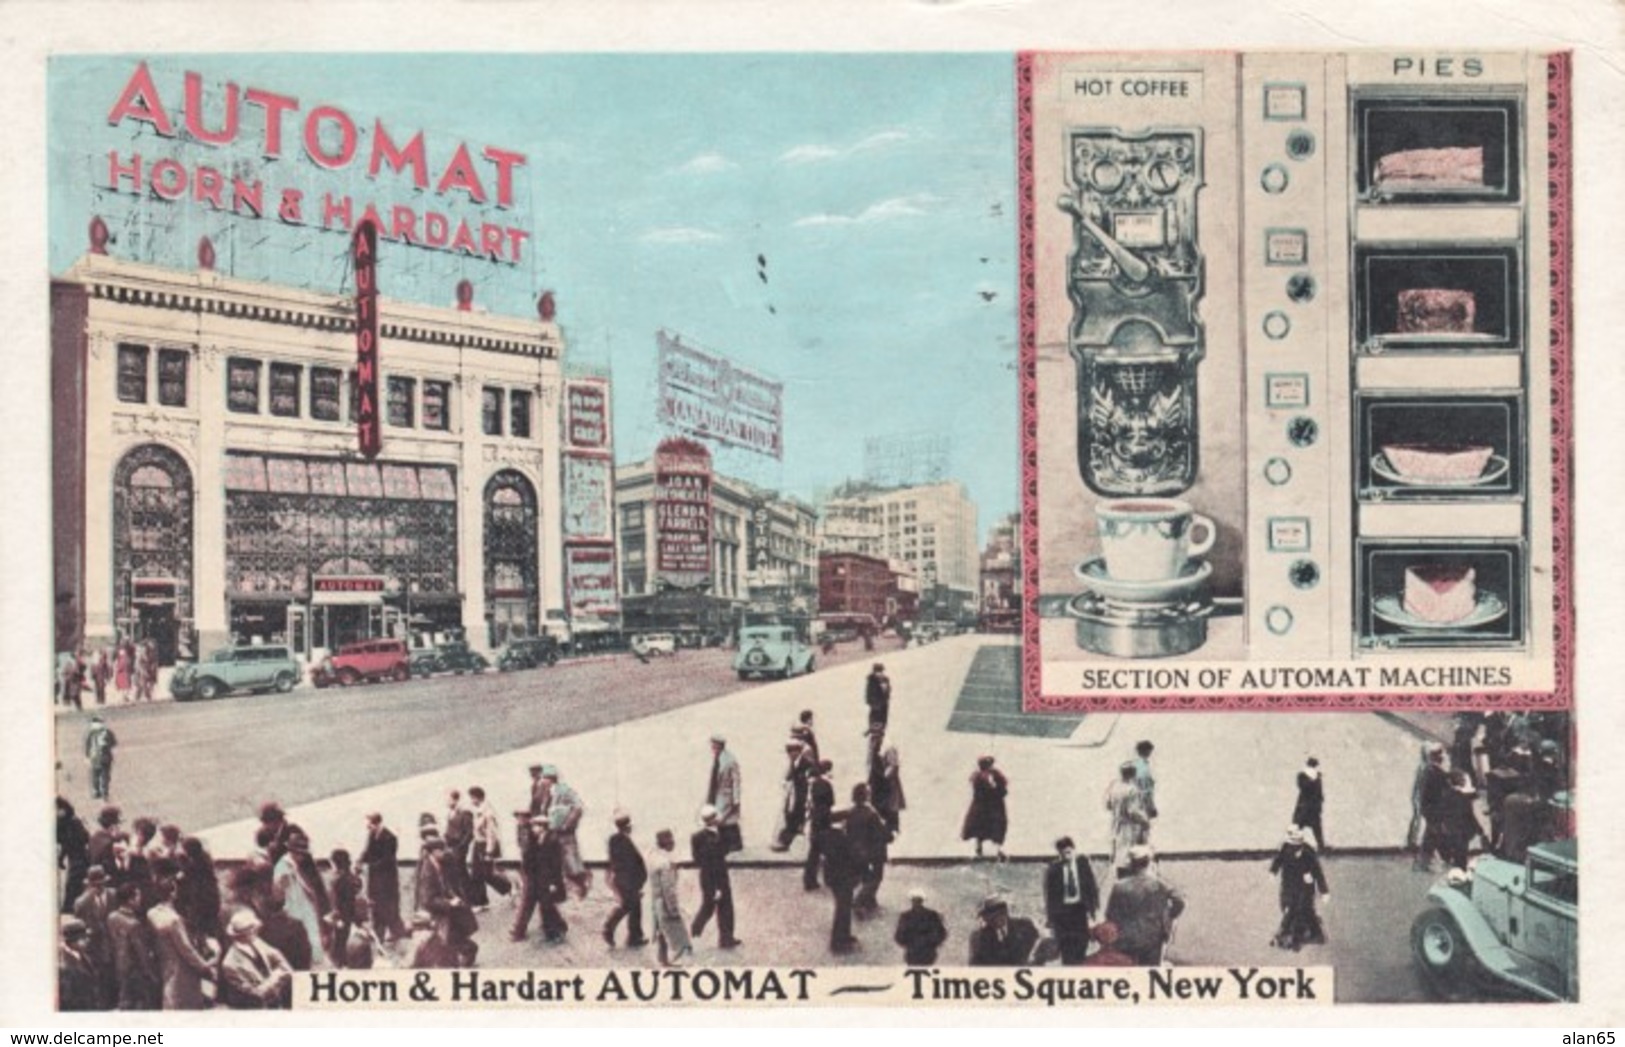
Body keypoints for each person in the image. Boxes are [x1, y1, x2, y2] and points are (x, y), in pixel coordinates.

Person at [1104, 846, 1185, 965]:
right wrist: (1169, 915)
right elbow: (1180, 901)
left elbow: (1110, 915)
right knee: (1149, 974)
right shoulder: (1159, 884)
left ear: (1131, 864)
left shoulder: (1119, 886)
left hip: (1126, 938)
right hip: (1153, 938)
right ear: (1149, 862)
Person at [147, 876, 217, 1009]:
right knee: (182, 1000)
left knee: (168, 993)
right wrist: (204, 967)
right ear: (173, 893)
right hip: (181, 965)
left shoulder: (152, 913)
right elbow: (186, 948)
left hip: (164, 959)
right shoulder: (174, 920)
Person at [416, 835, 478, 965]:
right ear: (433, 851)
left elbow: (445, 884)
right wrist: (449, 903)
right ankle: (464, 953)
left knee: (454, 935)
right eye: (441, 850)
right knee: (447, 939)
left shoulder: (438, 862)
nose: (445, 853)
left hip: (445, 908)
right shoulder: (427, 871)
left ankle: (466, 952)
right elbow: (428, 900)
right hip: (437, 912)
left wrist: (453, 896)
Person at [272, 832, 328, 967]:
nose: (302, 857)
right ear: (293, 852)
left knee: (313, 941)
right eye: (300, 853)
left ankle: (315, 963)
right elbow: (279, 893)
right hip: (294, 910)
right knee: (306, 943)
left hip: (303, 908)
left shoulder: (293, 865)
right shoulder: (284, 867)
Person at [1268, 827, 1330, 951]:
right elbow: (1278, 860)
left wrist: (1324, 891)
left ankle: (1285, 936)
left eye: (1296, 846)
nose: (1294, 849)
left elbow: (1318, 873)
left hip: (1305, 888)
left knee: (1299, 909)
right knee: (1290, 908)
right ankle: (1314, 933)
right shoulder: (1285, 848)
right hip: (1289, 885)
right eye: (1292, 845)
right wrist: (1273, 871)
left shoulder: (1309, 853)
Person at [218, 909, 293, 1009]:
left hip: (275, 1005)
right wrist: (275, 977)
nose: (257, 931)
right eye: (253, 929)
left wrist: (282, 972)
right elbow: (255, 996)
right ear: (245, 934)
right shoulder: (230, 964)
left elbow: (280, 960)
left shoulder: (257, 942)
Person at [690, 805, 741, 949]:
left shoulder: (697, 837)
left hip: (710, 877)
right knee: (712, 907)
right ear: (712, 820)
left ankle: (726, 937)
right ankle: (695, 930)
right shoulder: (712, 839)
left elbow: (696, 858)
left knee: (719, 907)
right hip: (715, 879)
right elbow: (713, 860)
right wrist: (717, 887)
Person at [1044, 836, 1101, 966]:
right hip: (1063, 915)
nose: (1066, 856)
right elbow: (1050, 898)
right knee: (1066, 951)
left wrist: (1094, 913)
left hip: (1079, 911)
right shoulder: (1054, 869)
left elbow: (1092, 888)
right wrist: (1051, 921)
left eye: (1069, 852)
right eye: (1063, 853)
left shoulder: (1083, 864)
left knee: (1082, 945)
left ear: (1074, 850)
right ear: (1059, 854)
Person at [107, 883, 160, 1010]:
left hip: (118, 967)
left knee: (124, 999)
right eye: (137, 896)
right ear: (130, 900)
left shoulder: (112, 917)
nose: (140, 899)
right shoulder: (134, 924)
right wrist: (151, 975)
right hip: (134, 971)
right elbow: (142, 954)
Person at [603, 810, 649, 948]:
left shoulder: (617, 839)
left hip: (627, 881)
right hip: (627, 882)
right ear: (626, 827)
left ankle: (635, 937)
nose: (631, 828)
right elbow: (629, 865)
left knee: (635, 908)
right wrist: (637, 883)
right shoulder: (621, 840)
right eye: (629, 826)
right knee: (627, 906)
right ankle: (608, 929)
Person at [359, 812, 406, 945]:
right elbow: (367, 851)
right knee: (375, 905)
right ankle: (379, 933)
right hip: (375, 878)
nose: (368, 828)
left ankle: (395, 931)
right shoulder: (372, 834)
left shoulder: (390, 838)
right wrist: (359, 861)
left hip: (387, 880)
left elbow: (387, 860)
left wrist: (369, 865)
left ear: (376, 823)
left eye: (369, 825)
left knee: (389, 907)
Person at [544, 767, 592, 899]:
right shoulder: (550, 792)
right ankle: (565, 890)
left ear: (551, 778)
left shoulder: (564, 791)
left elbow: (578, 807)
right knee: (558, 863)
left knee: (571, 863)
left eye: (545, 778)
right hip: (554, 833)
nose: (543, 781)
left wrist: (567, 824)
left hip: (566, 834)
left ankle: (582, 884)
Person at [845, 782, 891, 917]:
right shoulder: (871, 814)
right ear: (866, 796)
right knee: (876, 878)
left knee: (866, 877)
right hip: (874, 851)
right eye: (868, 792)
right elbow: (880, 834)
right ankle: (859, 901)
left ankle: (870, 903)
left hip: (856, 851)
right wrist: (890, 835)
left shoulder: (852, 812)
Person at [72, 866, 117, 1005]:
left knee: (114, 976)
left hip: (114, 944)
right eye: (95, 885)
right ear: (89, 884)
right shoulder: (82, 902)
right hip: (95, 946)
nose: (99, 888)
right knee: (99, 979)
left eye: (101, 884)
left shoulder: (114, 895)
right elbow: (79, 924)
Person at [647, 829, 691, 967]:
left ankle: (663, 959)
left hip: (655, 900)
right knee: (677, 937)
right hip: (665, 903)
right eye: (671, 840)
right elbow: (669, 889)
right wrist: (673, 909)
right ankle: (672, 960)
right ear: (665, 843)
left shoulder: (653, 856)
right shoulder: (666, 864)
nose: (674, 842)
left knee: (661, 931)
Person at [820, 822, 862, 954]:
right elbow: (854, 858)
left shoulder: (825, 837)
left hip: (833, 879)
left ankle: (844, 936)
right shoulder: (845, 840)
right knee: (843, 910)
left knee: (843, 908)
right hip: (844, 880)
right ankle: (838, 942)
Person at [466, 786, 510, 909]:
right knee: (476, 874)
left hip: (486, 845)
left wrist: (489, 852)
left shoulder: (488, 812)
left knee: (487, 874)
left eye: (472, 798)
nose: (471, 801)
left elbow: (492, 833)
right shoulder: (478, 810)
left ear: (477, 797)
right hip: (478, 844)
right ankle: (481, 902)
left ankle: (508, 888)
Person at [175, 837, 224, 947]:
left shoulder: (193, 865)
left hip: (200, 898)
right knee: (212, 922)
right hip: (210, 894)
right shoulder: (203, 858)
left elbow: (183, 876)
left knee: (202, 924)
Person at [1105, 761, 1151, 875]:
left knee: (1119, 857)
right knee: (1130, 858)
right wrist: (1145, 820)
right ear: (1132, 774)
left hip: (1116, 826)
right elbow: (1133, 811)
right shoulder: (1132, 789)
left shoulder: (1113, 786)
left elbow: (1108, 805)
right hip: (1129, 828)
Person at [961, 756, 1009, 861]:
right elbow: (999, 788)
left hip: (982, 806)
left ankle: (983, 849)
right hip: (991, 806)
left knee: (982, 828)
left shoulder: (979, 775)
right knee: (994, 827)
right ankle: (995, 851)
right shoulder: (985, 775)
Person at [968, 896, 1040, 966]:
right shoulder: (979, 937)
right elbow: (975, 965)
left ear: (1005, 912)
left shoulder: (1025, 926)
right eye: (985, 917)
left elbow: (1040, 945)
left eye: (994, 916)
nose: (987, 921)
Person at [771, 739, 815, 852]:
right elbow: (788, 778)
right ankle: (785, 841)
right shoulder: (793, 763)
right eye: (788, 752)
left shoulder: (806, 764)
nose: (789, 754)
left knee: (796, 819)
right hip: (794, 796)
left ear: (797, 751)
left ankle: (784, 842)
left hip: (801, 796)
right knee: (791, 817)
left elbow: (809, 782)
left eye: (791, 751)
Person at [704, 735, 744, 855]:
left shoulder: (730, 761)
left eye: (714, 745)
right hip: (718, 793)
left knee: (727, 820)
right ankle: (728, 843)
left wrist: (736, 799)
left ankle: (734, 844)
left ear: (719, 745)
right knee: (723, 820)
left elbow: (736, 781)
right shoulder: (718, 757)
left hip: (726, 795)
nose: (712, 748)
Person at [1415, 746, 1452, 872]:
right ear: (1439, 758)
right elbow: (1446, 788)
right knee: (1435, 834)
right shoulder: (1437, 773)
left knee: (1432, 834)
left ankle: (1423, 862)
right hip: (1435, 809)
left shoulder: (1427, 771)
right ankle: (1443, 859)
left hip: (1428, 808)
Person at [1441, 770, 1487, 871]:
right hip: (1461, 831)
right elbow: (1469, 815)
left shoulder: (1446, 795)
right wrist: (1480, 829)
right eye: (1463, 779)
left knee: (1456, 855)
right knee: (1461, 857)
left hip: (1450, 829)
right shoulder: (1462, 798)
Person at [326, 848, 364, 968]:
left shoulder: (338, 879)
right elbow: (357, 886)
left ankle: (339, 963)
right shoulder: (348, 877)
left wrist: (337, 917)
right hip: (348, 915)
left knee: (338, 943)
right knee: (342, 941)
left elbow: (336, 901)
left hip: (341, 916)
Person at [803, 759, 837, 889]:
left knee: (814, 852)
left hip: (815, 820)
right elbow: (831, 802)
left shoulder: (814, 784)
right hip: (824, 820)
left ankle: (809, 880)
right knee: (828, 851)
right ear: (827, 770)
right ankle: (829, 878)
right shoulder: (826, 784)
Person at [867, 725, 906, 836]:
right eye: (871, 737)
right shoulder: (874, 746)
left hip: (887, 783)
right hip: (877, 782)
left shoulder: (888, 748)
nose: (872, 740)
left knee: (890, 806)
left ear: (881, 735)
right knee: (878, 805)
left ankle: (892, 829)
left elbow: (893, 766)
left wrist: (884, 778)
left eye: (874, 737)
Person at [894, 888, 948, 965]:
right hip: (925, 951)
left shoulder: (906, 916)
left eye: (917, 901)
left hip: (916, 951)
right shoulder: (932, 915)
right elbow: (941, 933)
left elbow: (899, 935)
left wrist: (908, 943)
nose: (916, 903)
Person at [59, 917, 104, 1011]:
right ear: (73, 941)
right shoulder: (65, 966)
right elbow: (69, 999)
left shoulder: (83, 955)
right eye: (84, 938)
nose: (88, 940)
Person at [57, 798, 92, 915]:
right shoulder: (62, 822)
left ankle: (69, 907)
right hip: (75, 856)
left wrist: (61, 857)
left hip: (80, 857)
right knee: (74, 882)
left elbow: (82, 839)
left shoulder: (73, 822)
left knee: (74, 881)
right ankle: (70, 906)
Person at [441, 789, 475, 903]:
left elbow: (469, 832)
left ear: (455, 799)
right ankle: (458, 895)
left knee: (461, 872)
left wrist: (462, 846)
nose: (446, 801)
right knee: (453, 871)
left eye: (448, 799)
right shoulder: (450, 812)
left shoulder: (465, 813)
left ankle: (469, 897)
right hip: (450, 846)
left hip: (458, 847)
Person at [1293, 757, 1327, 852]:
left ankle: (1321, 847)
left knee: (1315, 828)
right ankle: (1292, 846)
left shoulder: (1316, 776)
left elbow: (1319, 793)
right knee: (1299, 827)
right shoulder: (1303, 775)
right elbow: (1303, 787)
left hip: (1311, 807)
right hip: (1306, 806)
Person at [84, 716, 118, 801]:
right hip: (105, 756)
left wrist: (87, 756)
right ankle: (105, 792)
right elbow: (114, 744)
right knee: (105, 775)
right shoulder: (107, 732)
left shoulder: (90, 733)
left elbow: (87, 746)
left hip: (94, 756)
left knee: (95, 774)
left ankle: (96, 791)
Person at [1133, 741, 1158, 820]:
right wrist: (1151, 806)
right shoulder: (1143, 767)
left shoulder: (1135, 764)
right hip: (1142, 802)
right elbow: (1145, 788)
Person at [865, 663, 892, 731]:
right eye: (877, 672)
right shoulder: (871, 680)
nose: (879, 673)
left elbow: (888, 690)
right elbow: (869, 692)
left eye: (881, 671)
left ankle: (881, 729)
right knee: (875, 717)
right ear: (874, 672)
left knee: (883, 718)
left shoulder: (885, 679)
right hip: (875, 703)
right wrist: (871, 702)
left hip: (884, 702)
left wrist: (887, 692)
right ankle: (873, 728)